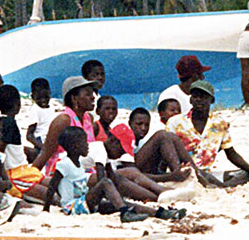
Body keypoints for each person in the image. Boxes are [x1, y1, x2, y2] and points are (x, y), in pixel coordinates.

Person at [43, 127, 184, 222]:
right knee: (106, 184)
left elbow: (113, 176)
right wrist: (46, 208)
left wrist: (117, 197)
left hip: (84, 202)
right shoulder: (93, 152)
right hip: (72, 207)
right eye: (121, 150)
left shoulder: (88, 159)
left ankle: (160, 213)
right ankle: (124, 213)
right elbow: (102, 181)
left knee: (124, 202)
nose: (120, 155)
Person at [167, 80, 249, 187]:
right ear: (190, 99)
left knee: (245, 174)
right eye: (195, 96)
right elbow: (168, 151)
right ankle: (220, 186)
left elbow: (231, 153)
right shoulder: (175, 122)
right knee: (197, 174)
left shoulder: (219, 123)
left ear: (212, 100)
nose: (199, 100)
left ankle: (217, 185)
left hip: (208, 173)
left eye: (203, 97)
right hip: (184, 171)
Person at [32, 76, 99, 176]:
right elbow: (45, 154)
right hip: (64, 174)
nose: (93, 97)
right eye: (88, 94)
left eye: (92, 93)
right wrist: (29, 178)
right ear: (74, 98)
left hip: (85, 171)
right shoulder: (63, 121)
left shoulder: (88, 118)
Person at [0, 86, 52, 204]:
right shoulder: (9, 123)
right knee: (51, 194)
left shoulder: (2, 122)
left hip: (24, 170)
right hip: (16, 175)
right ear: (18, 104)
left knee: (53, 186)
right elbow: (1, 148)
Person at [26, 78, 55, 156]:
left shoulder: (52, 107)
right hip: (41, 141)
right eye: (39, 98)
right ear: (32, 97)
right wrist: (43, 147)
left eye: (46, 97)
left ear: (50, 93)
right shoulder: (35, 110)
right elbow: (29, 135)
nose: (43, 101)